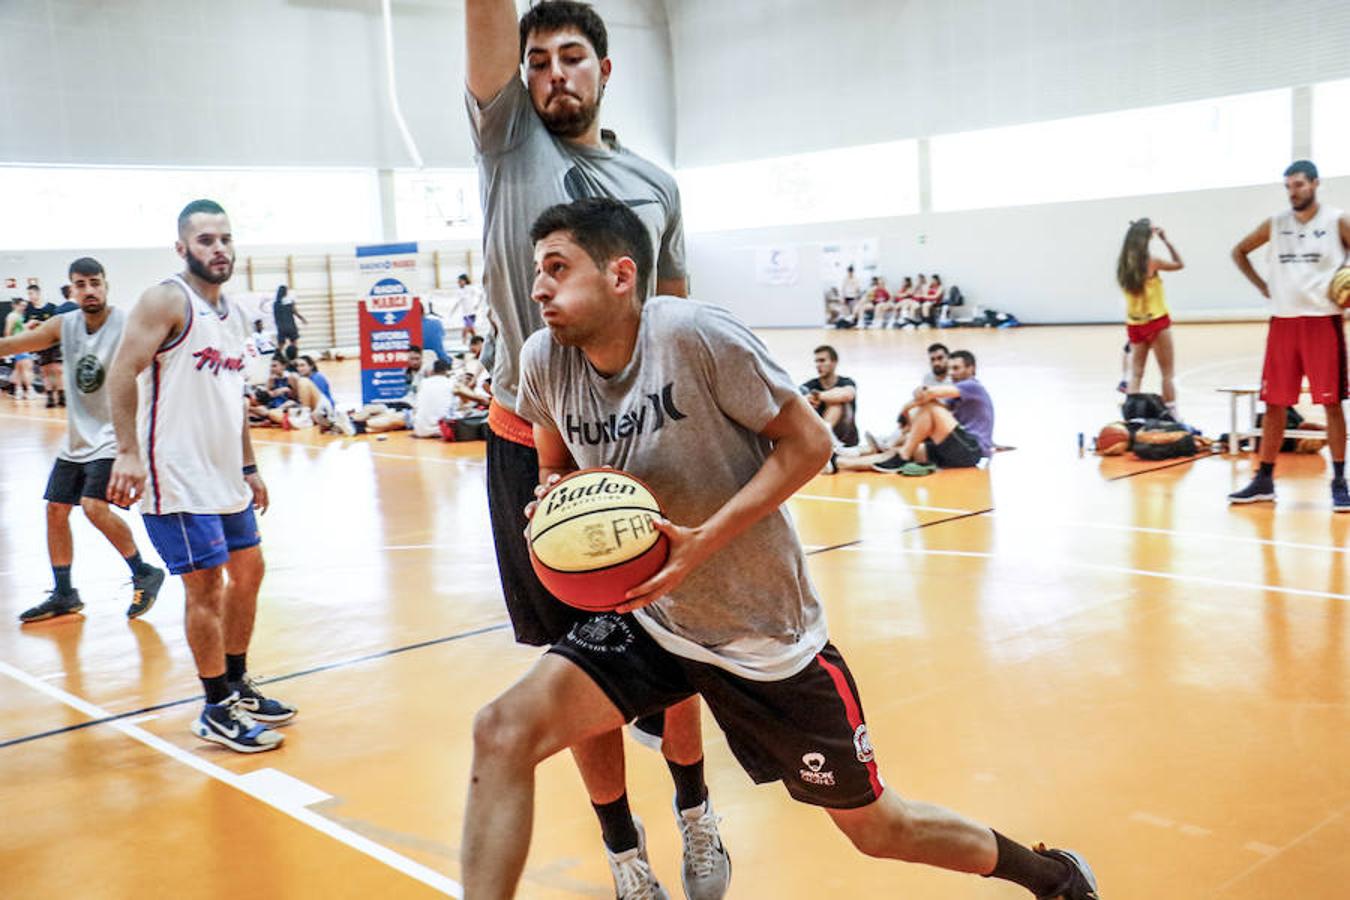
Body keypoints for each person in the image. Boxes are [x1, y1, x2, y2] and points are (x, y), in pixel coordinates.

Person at [462, 197, 1100, 900]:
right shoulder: (544, 359)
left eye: (557, 268)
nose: (538, 287)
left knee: (879, 829)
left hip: (761, 631)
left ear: (620, 275)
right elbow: (552, 457)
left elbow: (811, 443)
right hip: (652, 619)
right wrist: (553, 499)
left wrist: (704, 540)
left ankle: (1053, 877)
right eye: (535, 271)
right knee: (501, 730)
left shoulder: (697, 337)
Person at [464, 2, 728, 895]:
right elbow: (487, 26)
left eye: (572, 58)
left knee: (674, 634)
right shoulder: (508, 146)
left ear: (605, 70)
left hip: (640, 439)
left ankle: (695, 810)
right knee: (577, 660)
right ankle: (625, 851)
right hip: (528, 444)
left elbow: (681, 322)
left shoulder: (654, 185)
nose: (552, 76)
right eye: (536, 61)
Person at [106, 199, 296, 754]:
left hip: (224, 476)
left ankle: (236, 683)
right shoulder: (168, 299)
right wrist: (125, 453)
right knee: (206, 585)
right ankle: (215, 708)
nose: (219, 249)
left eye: (226, 239)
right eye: (206, 239)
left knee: (250, 570)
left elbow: (230, 398)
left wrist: (249, 465)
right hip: (176, 475)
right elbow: (122, 370)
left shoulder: (234, 314)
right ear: (183, 247)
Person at [0, 257, 166, 623]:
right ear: (71, 289)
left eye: (95, 282)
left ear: (105, 285)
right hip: (77, 439)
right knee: (55, 510)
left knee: (93, 506)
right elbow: (14, 344)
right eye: (81, 284)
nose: (89, 290)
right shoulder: (64, 324)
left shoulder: (126, 324)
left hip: (114, 436)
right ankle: (64, 592)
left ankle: (144, 572)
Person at [1228, 160, 1350, 511]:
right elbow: (1239, 251)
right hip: (1283, 323)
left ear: (1315, 183)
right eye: (1288, 187)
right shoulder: (1276, 223)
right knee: (1274, 404)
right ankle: (1264, 480)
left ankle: (1340, 481)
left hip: (1322, 322)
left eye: (1298, 185)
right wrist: (1263, 286)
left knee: (1331, 404)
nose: (1293, 192)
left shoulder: (1337, 220)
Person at [873, 350, 993, 472]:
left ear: (971, 369)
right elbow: (928, 404)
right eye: (950, 369)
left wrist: (904, 409)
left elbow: (929, 394)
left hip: (972, 451)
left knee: (931, 408)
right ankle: (859, 456)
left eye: (956, 368)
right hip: (956, 449)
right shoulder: (954, 398)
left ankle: (903, 453)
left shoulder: (972, 386)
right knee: (892, 454)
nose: (951, 373)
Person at [1117, 218, 1183, 416]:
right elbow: (1179, 264)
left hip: (1134, 324)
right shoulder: (1151, 262)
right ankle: (1173, 416)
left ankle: (1131, 416)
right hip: (1156, 321)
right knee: (1167, 375)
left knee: (1136, 374)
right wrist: (1166, 240)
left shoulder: (1123, 265)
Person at [801, 345, 859, 447]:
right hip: (817, 435)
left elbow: (847, 395)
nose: (818, 365)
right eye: (816, 361)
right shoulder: (809, 385)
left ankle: (827, 439)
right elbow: (795, 398)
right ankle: (823, 440)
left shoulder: (846, 382)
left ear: (834, 362)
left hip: (846, 438)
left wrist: (817, 396)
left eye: (822, 361)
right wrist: (806, 400)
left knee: (836, 402)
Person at [24, 284, 67, 408]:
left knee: (58, 370)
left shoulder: (51, 308)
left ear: (38, 293)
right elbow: (24, 327)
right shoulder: (29, 310)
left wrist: (42, 323)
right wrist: (29, 325)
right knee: (45, 371)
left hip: (54, 342)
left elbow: (56, 324)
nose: (30, 297)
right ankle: (49, 397)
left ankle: (61, 395)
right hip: (40, 345)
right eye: (28, 294)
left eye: (31, 294)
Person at [5, 297, 36, 400]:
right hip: (18, 345)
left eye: (24, 306)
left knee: (19, 369)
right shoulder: (12, 316)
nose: (23, 308)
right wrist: (9, 347)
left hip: (21, 343)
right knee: (27, 366)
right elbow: (8, 332)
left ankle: (18, 391)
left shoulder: (19, 316)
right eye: (21, 306)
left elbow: (19, 329)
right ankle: (29, 389)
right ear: (15, 305)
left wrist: (28, 325)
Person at [271, 284, 307, 361]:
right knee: (294, 344)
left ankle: (276, 359)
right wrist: (302, 319)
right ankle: (295, 359)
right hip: (291, 326)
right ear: (285, 292)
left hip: (281, 327)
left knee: (280, 345)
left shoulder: (275, 304)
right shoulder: (290, 302)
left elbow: (275, 317)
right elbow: (295, 313)